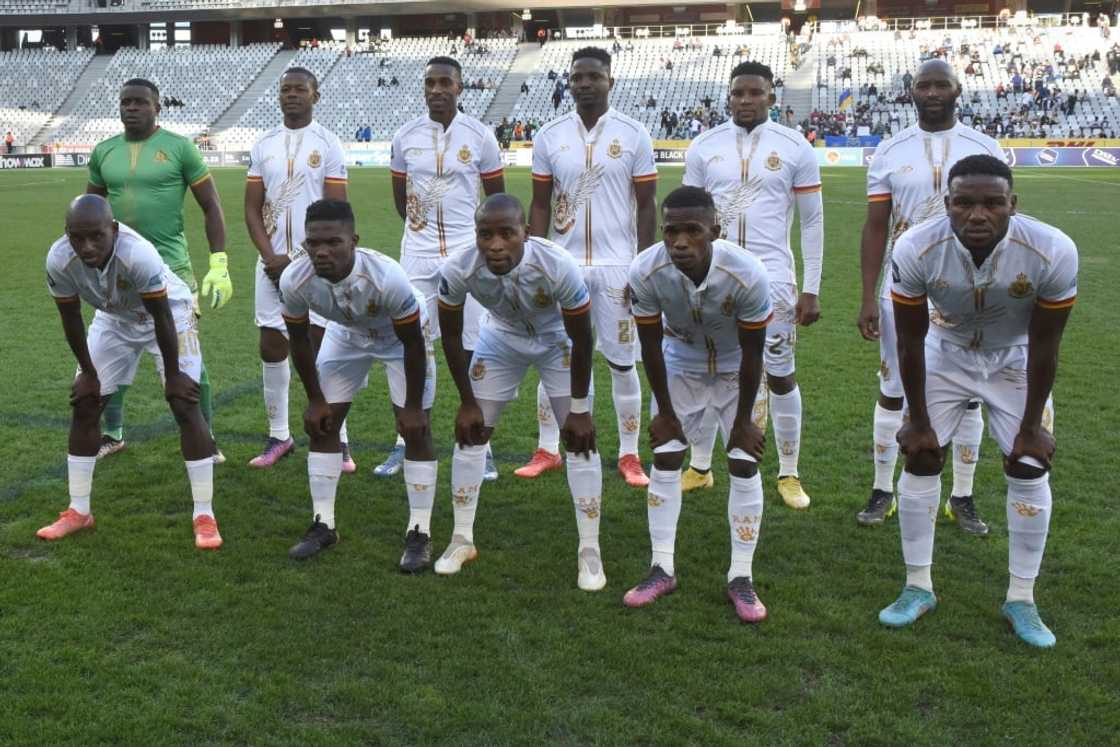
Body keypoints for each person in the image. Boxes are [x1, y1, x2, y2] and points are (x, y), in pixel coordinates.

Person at [880, 155, 1075, 649]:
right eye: (964, 203)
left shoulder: (1053, 250)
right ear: (947, 204)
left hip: (1015, 358)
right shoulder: (916, 246)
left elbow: (1047, 345)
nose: (978, 214)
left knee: (1029, 463)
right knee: (922, 455)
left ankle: (1022, 598)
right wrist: (917, 418)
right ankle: (917, 586)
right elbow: (908, 340)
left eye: (992, 203)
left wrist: (1032, 426)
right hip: (944, 353)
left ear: (1014, 204)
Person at [856, 59, 1005, 530]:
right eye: (924, 85)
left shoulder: (984, 146)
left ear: (958, 89)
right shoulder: (889, 150)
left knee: (970, 395)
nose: (933, 92)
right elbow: (876, 226)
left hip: (970, 291)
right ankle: (882, 489)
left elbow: (1002, 221)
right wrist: (867, 295)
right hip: (902, 289)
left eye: (942, 84)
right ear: (911, 91)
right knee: (892, 391)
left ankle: (962, 496)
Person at [434, 194, 605, 591]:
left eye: (507, 233)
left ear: (526, 233)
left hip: (558, 340)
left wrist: (579, 408)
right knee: (472, 433)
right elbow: (452, 333)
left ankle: (589, 549)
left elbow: (582, 337)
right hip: (502, 338)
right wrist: (466, 401)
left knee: (580, 439)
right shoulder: (459, 267)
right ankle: (461, 538)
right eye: (485, 234)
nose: (495, 245)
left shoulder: (557, 265)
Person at [622, 187, 773, 621]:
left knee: (744, 461)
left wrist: (744, 420)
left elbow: (753, 353)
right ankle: (661, 567)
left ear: (715, 232)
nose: (681, 242)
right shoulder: (646, 271)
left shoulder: (747, 274)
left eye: (693, 231)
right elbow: (649, 347)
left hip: (735, 367)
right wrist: (666, 413)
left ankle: (741, 576)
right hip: (680, 364)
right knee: (666, 457)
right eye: (671, 232)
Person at [38, 195, 222, 550]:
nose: (87, 246)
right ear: (67, 234)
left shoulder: (139, 253)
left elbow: (162, 316)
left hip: (169, 315)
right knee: (86, 402)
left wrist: (173, 375)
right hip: (114, 319)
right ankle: (78, 511)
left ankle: (204, 514)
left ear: (114, 229)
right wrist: (88, 373)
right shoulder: (59, 259)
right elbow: (71, 318)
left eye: (96, 236)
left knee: (185, 404)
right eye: (78, 237)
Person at [681, 61, 823, 508]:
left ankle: (789, 473)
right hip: (711, 277)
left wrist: (811, 286)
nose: (746, 100)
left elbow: (813, 222)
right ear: (729, 96)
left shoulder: (795, 147)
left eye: (755, 93)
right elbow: (687, 216)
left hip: (774, 280)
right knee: (707, 370)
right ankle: (700, 467)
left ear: (771, 97)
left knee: (780, 376)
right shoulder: (705, 147)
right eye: (738, 93)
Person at [522, 46, 658, 488]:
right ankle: (547, 447)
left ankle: (630, 454)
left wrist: (642, 267)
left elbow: (647, 205)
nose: (583, 83)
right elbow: (539, 204)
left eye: (593, 76)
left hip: (619, 267)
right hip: (563, 268)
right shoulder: (549, 135)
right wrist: (537, 256)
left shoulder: (634, 134)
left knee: (622, 363)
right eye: (577, 77)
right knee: (556, 359)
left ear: (609, 81)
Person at [279, 200, 438, 568]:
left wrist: (412, 408)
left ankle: (419, 532)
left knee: (416, 430)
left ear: (354, 240)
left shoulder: (387, 277)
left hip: (399, 337)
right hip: (347, 333)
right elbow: (299, 340)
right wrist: (315, 399)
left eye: (333, 242)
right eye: (313, 243)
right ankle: (324, 525)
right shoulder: (295, 279)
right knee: (324, 424)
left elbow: (413, 343)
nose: (321, 251)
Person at [86, 78, 230, 463]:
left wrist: (219, 261)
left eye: (139, 102)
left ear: (157, 107)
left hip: (173, 270)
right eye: (125, 102)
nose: (131, 108)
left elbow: (211, 204)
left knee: (188, 359)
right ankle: (112, 434)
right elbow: (89, 209)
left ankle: (206, 435)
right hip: (117, 272)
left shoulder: (180, 148)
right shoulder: (104, 152)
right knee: (111, 350)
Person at [377, 56, 505, 480]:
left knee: (474, 346)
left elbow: (496, 201)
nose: (436, 90)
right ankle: (406, 439)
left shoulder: (481, 136)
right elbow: (400, 198)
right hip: (417, 255)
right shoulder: (405, 136)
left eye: (445, 82)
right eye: (430, 83)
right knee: (414, 345)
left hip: (469, 257)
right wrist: (420, 229)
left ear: (460, 87)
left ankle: (481, 441)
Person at [245, 68, 351, 470]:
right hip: (270, 263)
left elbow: (337, 212)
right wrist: (270, 255)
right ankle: (279, 435)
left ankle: (338, 438)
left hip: (317, 264)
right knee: (273, 343)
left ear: (315, 95)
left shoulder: (328, 144)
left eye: (299, 90)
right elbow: (252, 208)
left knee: (323, 345)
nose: (291, 96)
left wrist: (304, 258)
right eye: (285, 89)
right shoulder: (264, 143)